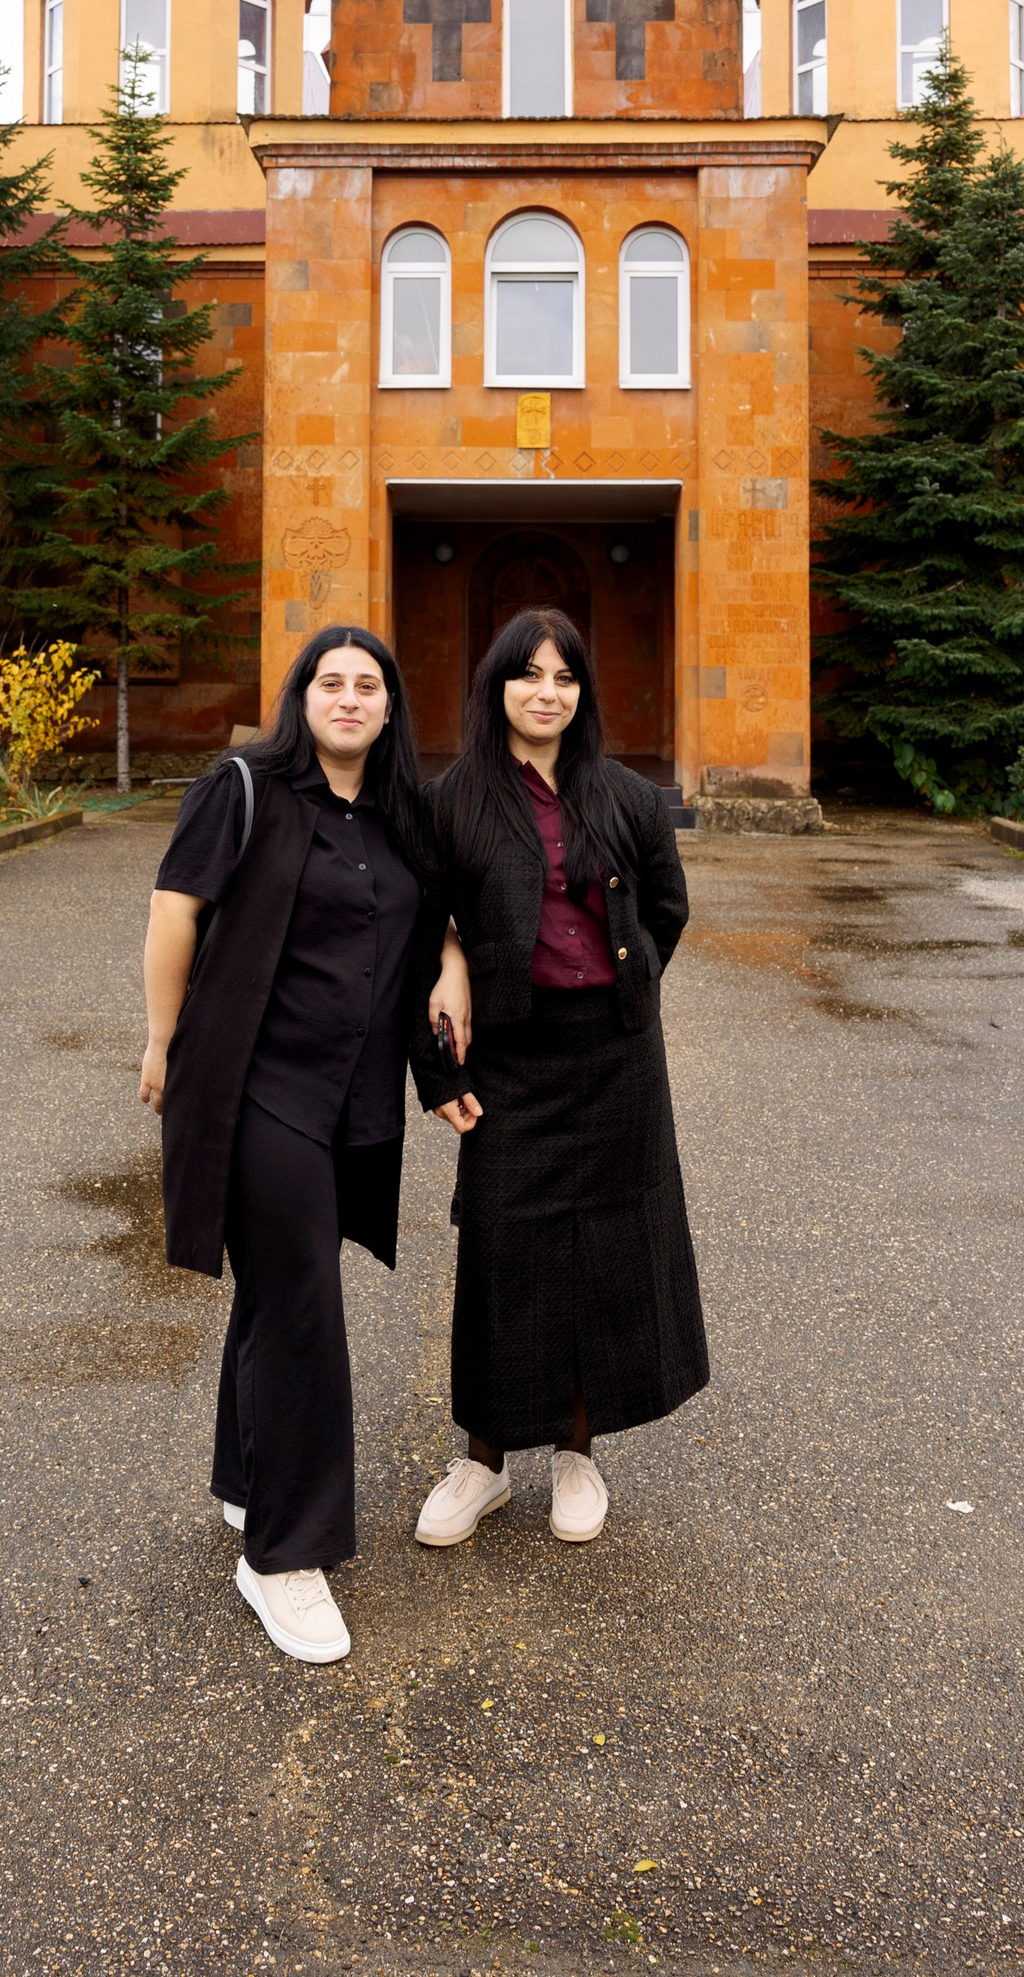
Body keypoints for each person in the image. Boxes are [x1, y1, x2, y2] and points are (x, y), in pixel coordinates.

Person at [141, 627, 469, 1665]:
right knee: (303, 1310)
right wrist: (161, 1041)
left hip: (350, 1100)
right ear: (303, 696)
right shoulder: (243, 788)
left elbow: (421, 929)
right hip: (255, 1088)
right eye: (331, 682)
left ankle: (247, 1478)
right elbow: (174, 912)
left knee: (281, 1289)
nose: (349, 697)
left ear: (390, 708)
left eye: (369, 684)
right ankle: (284, 1556)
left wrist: (452, 972)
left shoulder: (402, 815)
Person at [414, 606, 706, 1549]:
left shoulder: (627, 796)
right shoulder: (452, 800)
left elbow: (666, 909)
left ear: (583, 692)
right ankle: (484, 1459)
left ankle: (577, 1450)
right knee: (502, 1252)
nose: (547, 693)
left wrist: (632, 980)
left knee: (607, 1251)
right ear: (495, 684)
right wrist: (439, 1065)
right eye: (529, 674)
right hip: (511, 1057)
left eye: (565, 677)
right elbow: (416, 930)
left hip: (615, 1057)